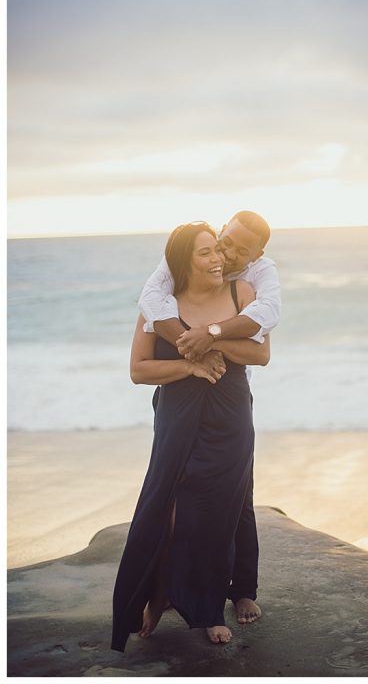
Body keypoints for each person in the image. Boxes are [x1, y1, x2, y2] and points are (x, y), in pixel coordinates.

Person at [112, 222, 271, 650]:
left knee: (226, 505)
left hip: (230, 413)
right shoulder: (159, 305)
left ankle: (212, 606)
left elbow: (261, 353)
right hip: (177, 414)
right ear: (183, 261)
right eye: (205, 253)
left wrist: (213, 342)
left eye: (216, 250)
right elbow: (138, 370)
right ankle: (159, 592)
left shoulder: (242, 295)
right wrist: (190, 366)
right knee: (169, 507)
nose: (218, 258)